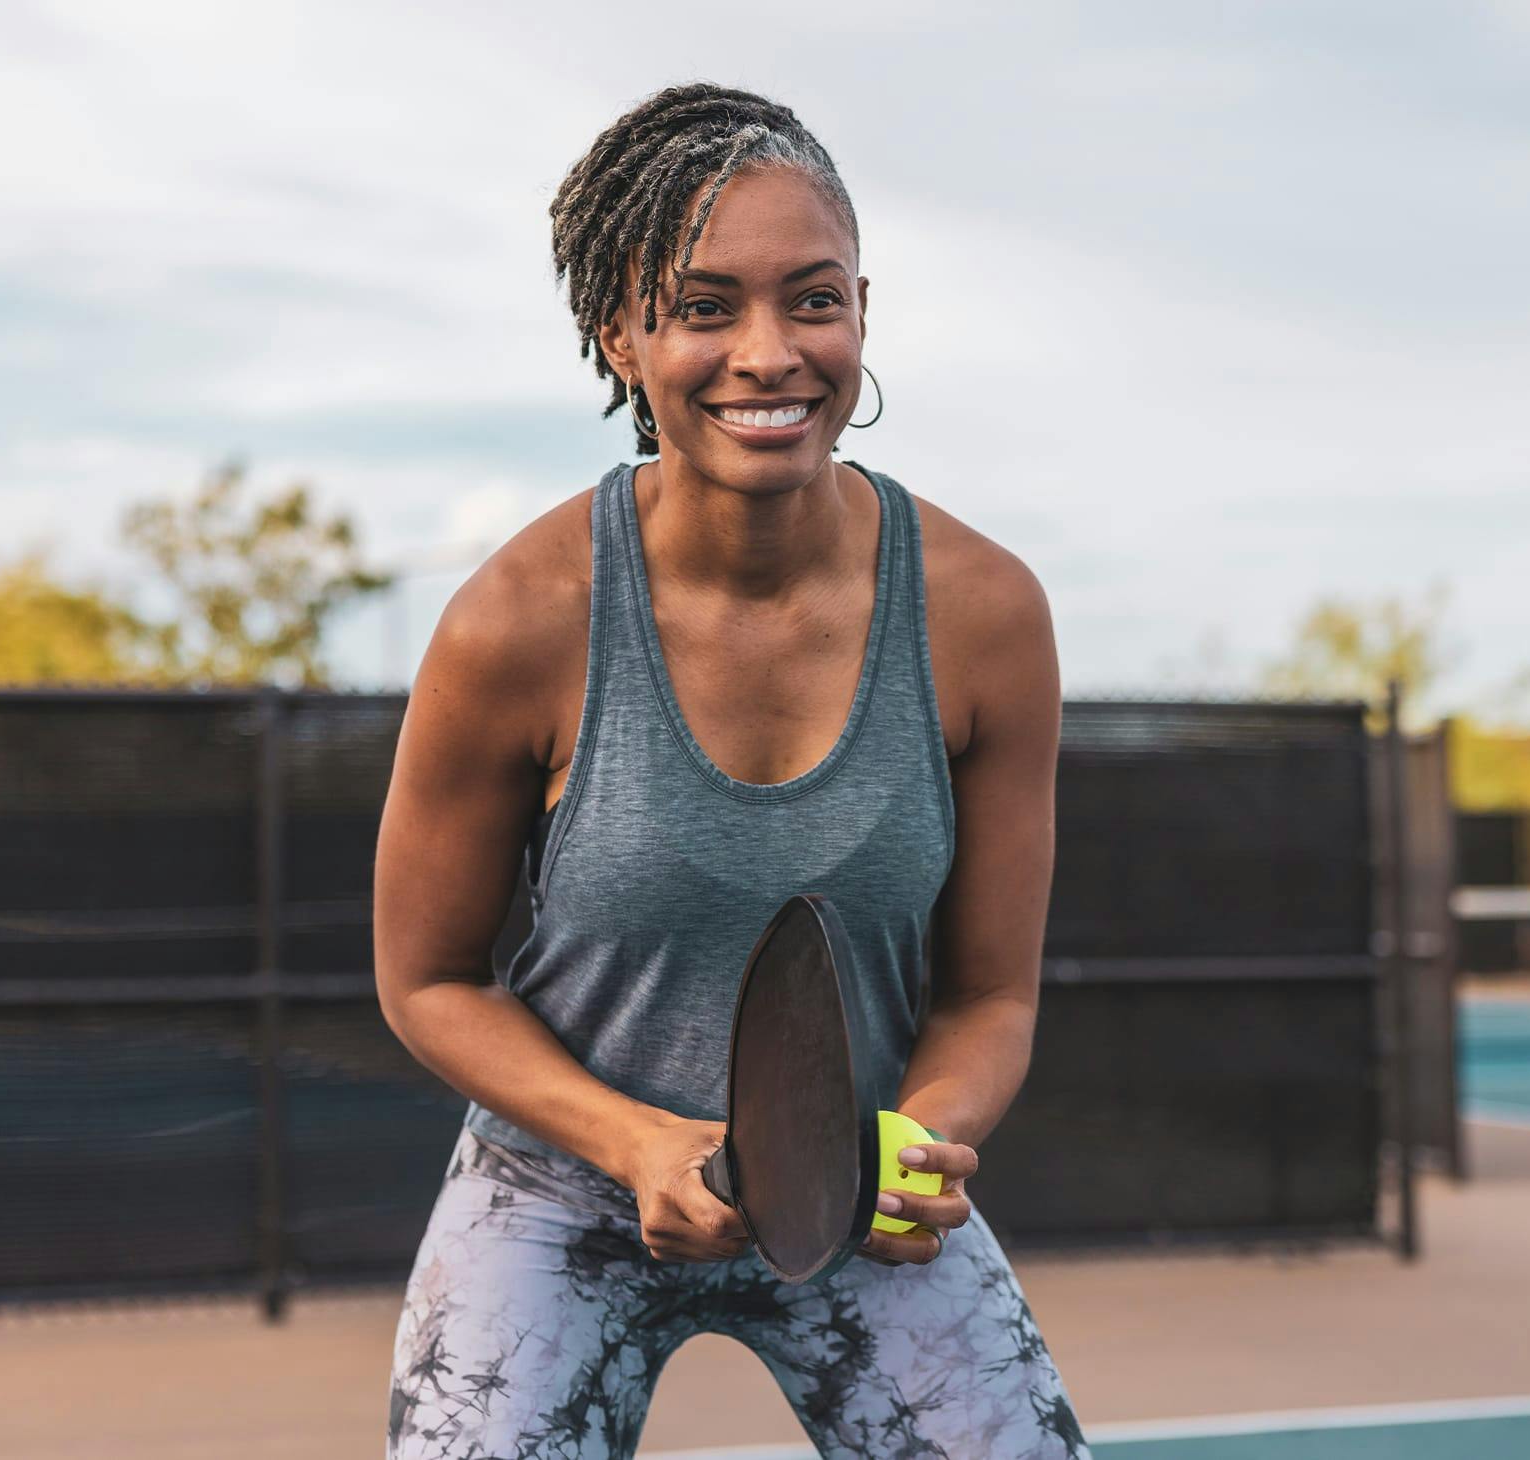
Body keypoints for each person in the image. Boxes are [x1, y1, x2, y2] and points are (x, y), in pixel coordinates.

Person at [375, 83, 1091, 1459]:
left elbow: (991, 992)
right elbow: (427, 981)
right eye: (705, 308)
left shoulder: (987, 613)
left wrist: (918, 1141)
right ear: (623, 335)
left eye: (810, 300)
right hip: (563, 1191)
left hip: (852, 1189)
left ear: (863, 313)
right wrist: (635, 1142)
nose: (768, 353)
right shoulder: (517, 619)